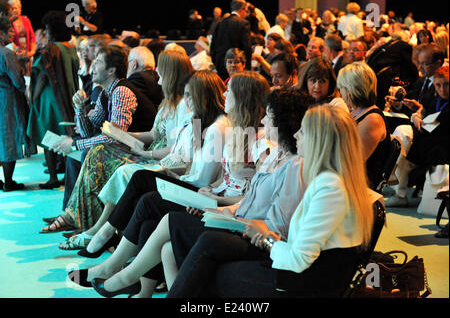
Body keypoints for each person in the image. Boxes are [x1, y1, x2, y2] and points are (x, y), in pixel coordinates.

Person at [86, 88, 312, 298]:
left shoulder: (292, 165)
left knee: (163, 213)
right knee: (162, 239)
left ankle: (123, 275)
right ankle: (131, 281)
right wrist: (221, 209)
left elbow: (277, 227)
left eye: (269, 115)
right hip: (235, 217)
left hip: (253, 236)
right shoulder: (275, 155)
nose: (263, 120)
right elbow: (247, 198)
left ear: (282, 121)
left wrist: (227, 212)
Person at [166, 105, 377, 298]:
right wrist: (267, 237)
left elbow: (298, 260)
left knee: (211, 272)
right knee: (209, 247)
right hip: (307, 275)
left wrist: (267, 239)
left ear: (318, 141)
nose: (296, 135)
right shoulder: (335, 180)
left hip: (304, 284)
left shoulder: (330, 187)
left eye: (303, 132)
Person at [71, 71, 268, 263]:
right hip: (207, 189)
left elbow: (206, 179)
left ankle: (106, 238)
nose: (224, 95)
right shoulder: (209, 123)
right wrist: (178, 175)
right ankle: (115, 252)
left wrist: (178, 178)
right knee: (143, 193)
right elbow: (212, 173)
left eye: (229, 92)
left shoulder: (222, 128)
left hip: (213, 196)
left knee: (142, 183)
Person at [42, 50, 192, 236]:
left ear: (111, 70)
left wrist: (79, 143)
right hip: (141, 150)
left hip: (155, 158)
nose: (156, 72)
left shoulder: (123, 91)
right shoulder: (109, 92)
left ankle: (84, 221)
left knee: (95, 151)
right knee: (88, 152)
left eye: (97, 62)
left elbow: (180, 151)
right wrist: (80, 108)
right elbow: (91, 130)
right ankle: (75, 215)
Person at [26, 11, 79, 189]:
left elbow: (42, 76)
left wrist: (33, 97)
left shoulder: (50, 49)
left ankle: (53, 177)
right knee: (66, 135)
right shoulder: (71, 48)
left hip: (50, 98)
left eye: (48, 28)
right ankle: (68, 175)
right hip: (69, 98)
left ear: (53, 29)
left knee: (49, 136)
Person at [386, 65, 449, 207]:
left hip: (442, 145)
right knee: (402, 144)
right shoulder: (435, 96)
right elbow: (424, 110)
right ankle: (398, 189)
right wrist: (417, 114)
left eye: (446, 84)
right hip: (427, 139)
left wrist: (418, 119)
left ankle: (394, 178)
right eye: (438, 85)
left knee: (404, 142)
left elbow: (436, 124)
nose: (442, 89)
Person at [337, 62, 391, 190]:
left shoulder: (372, 119)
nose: (340, 93)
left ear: (351, 90)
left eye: (341, 88)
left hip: (358, 188)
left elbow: (352, 162)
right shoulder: (356, 113)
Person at [0, 16, 32, 191]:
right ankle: (9, 181)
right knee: (7, 138)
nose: (13, 34)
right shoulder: (6, 53)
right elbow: (17, 81)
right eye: (10, 31)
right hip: (6, 100)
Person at [210, 0, 252, 80]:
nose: (246, 14)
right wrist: (247, 68)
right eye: (246, 11)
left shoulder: (220, 23)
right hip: (236, 65)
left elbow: (213, 46)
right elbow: (247, 47)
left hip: (220, 64)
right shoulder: (243, 23)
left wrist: (216, 62)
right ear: (242, 9)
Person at [8, 0, 35, 75]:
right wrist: (20, 53)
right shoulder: (8, 23)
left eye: (16, 8)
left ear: (20, 9)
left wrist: (32, 51)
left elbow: (32, 37)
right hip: (16, 55)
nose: (14, 10)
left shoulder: (26, 20)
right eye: (12, 8)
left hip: (28, 54)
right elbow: (9, 40)